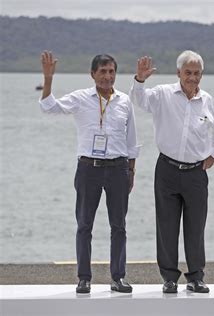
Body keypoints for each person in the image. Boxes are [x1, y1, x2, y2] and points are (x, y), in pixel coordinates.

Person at [39, 51, 139, 294]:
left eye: (111, 71)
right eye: (102, 71)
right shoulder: (81, 98)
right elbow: (48, 107)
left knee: (119, 226)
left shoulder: (124, 101)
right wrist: (48, 78)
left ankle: (118, 278)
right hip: (88, 168)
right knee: (84, 225)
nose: (107, 76)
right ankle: (84, 278)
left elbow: (131, 139)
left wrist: (131, 171)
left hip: (118, 168)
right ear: (93, 74)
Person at [129, 50, 214, 294]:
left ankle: (196, 277)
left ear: (201, 75)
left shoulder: (207, 101)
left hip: (196, 173)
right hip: (167, 169)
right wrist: (139, 80)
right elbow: (139, 100)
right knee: (166, 225)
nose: (192, 78)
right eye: (188, 73)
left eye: (196, 73)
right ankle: (169, 277)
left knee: (196, 226)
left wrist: (213, 154)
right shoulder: (163, 94)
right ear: (178, 73)